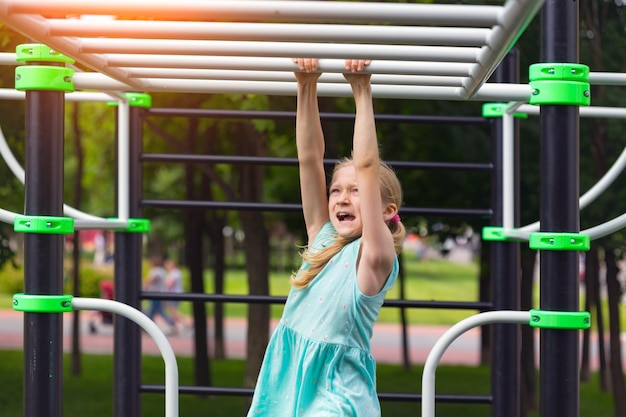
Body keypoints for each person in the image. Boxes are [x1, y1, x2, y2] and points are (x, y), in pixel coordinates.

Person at [246, 59, 406, 417]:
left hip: (337, 390)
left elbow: (367, 167)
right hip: (286, 381)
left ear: (386, 211)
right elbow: (308, 158)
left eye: (356, 192)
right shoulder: (323, 236)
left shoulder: (375, 258)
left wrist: (362, 91)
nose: (343, 199)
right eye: (336, 191)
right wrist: (306, 87)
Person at [143, 256, 177, 335]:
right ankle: (149, 327)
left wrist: (143, 283)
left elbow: (152, 279)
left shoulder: (157, 271)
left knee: (154, 312)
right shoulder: (161, 270)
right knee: (158, 312)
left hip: (155, 295)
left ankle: (148, 328)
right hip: (158, 294)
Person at [164, 259, 189, 329]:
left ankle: (185, 322)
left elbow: (170, 283)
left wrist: (166, 288)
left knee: (173, 310)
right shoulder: (174, 272)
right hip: (174, 294)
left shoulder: (175, 273)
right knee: (172, 310)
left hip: (174, 294)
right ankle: (176, 326)